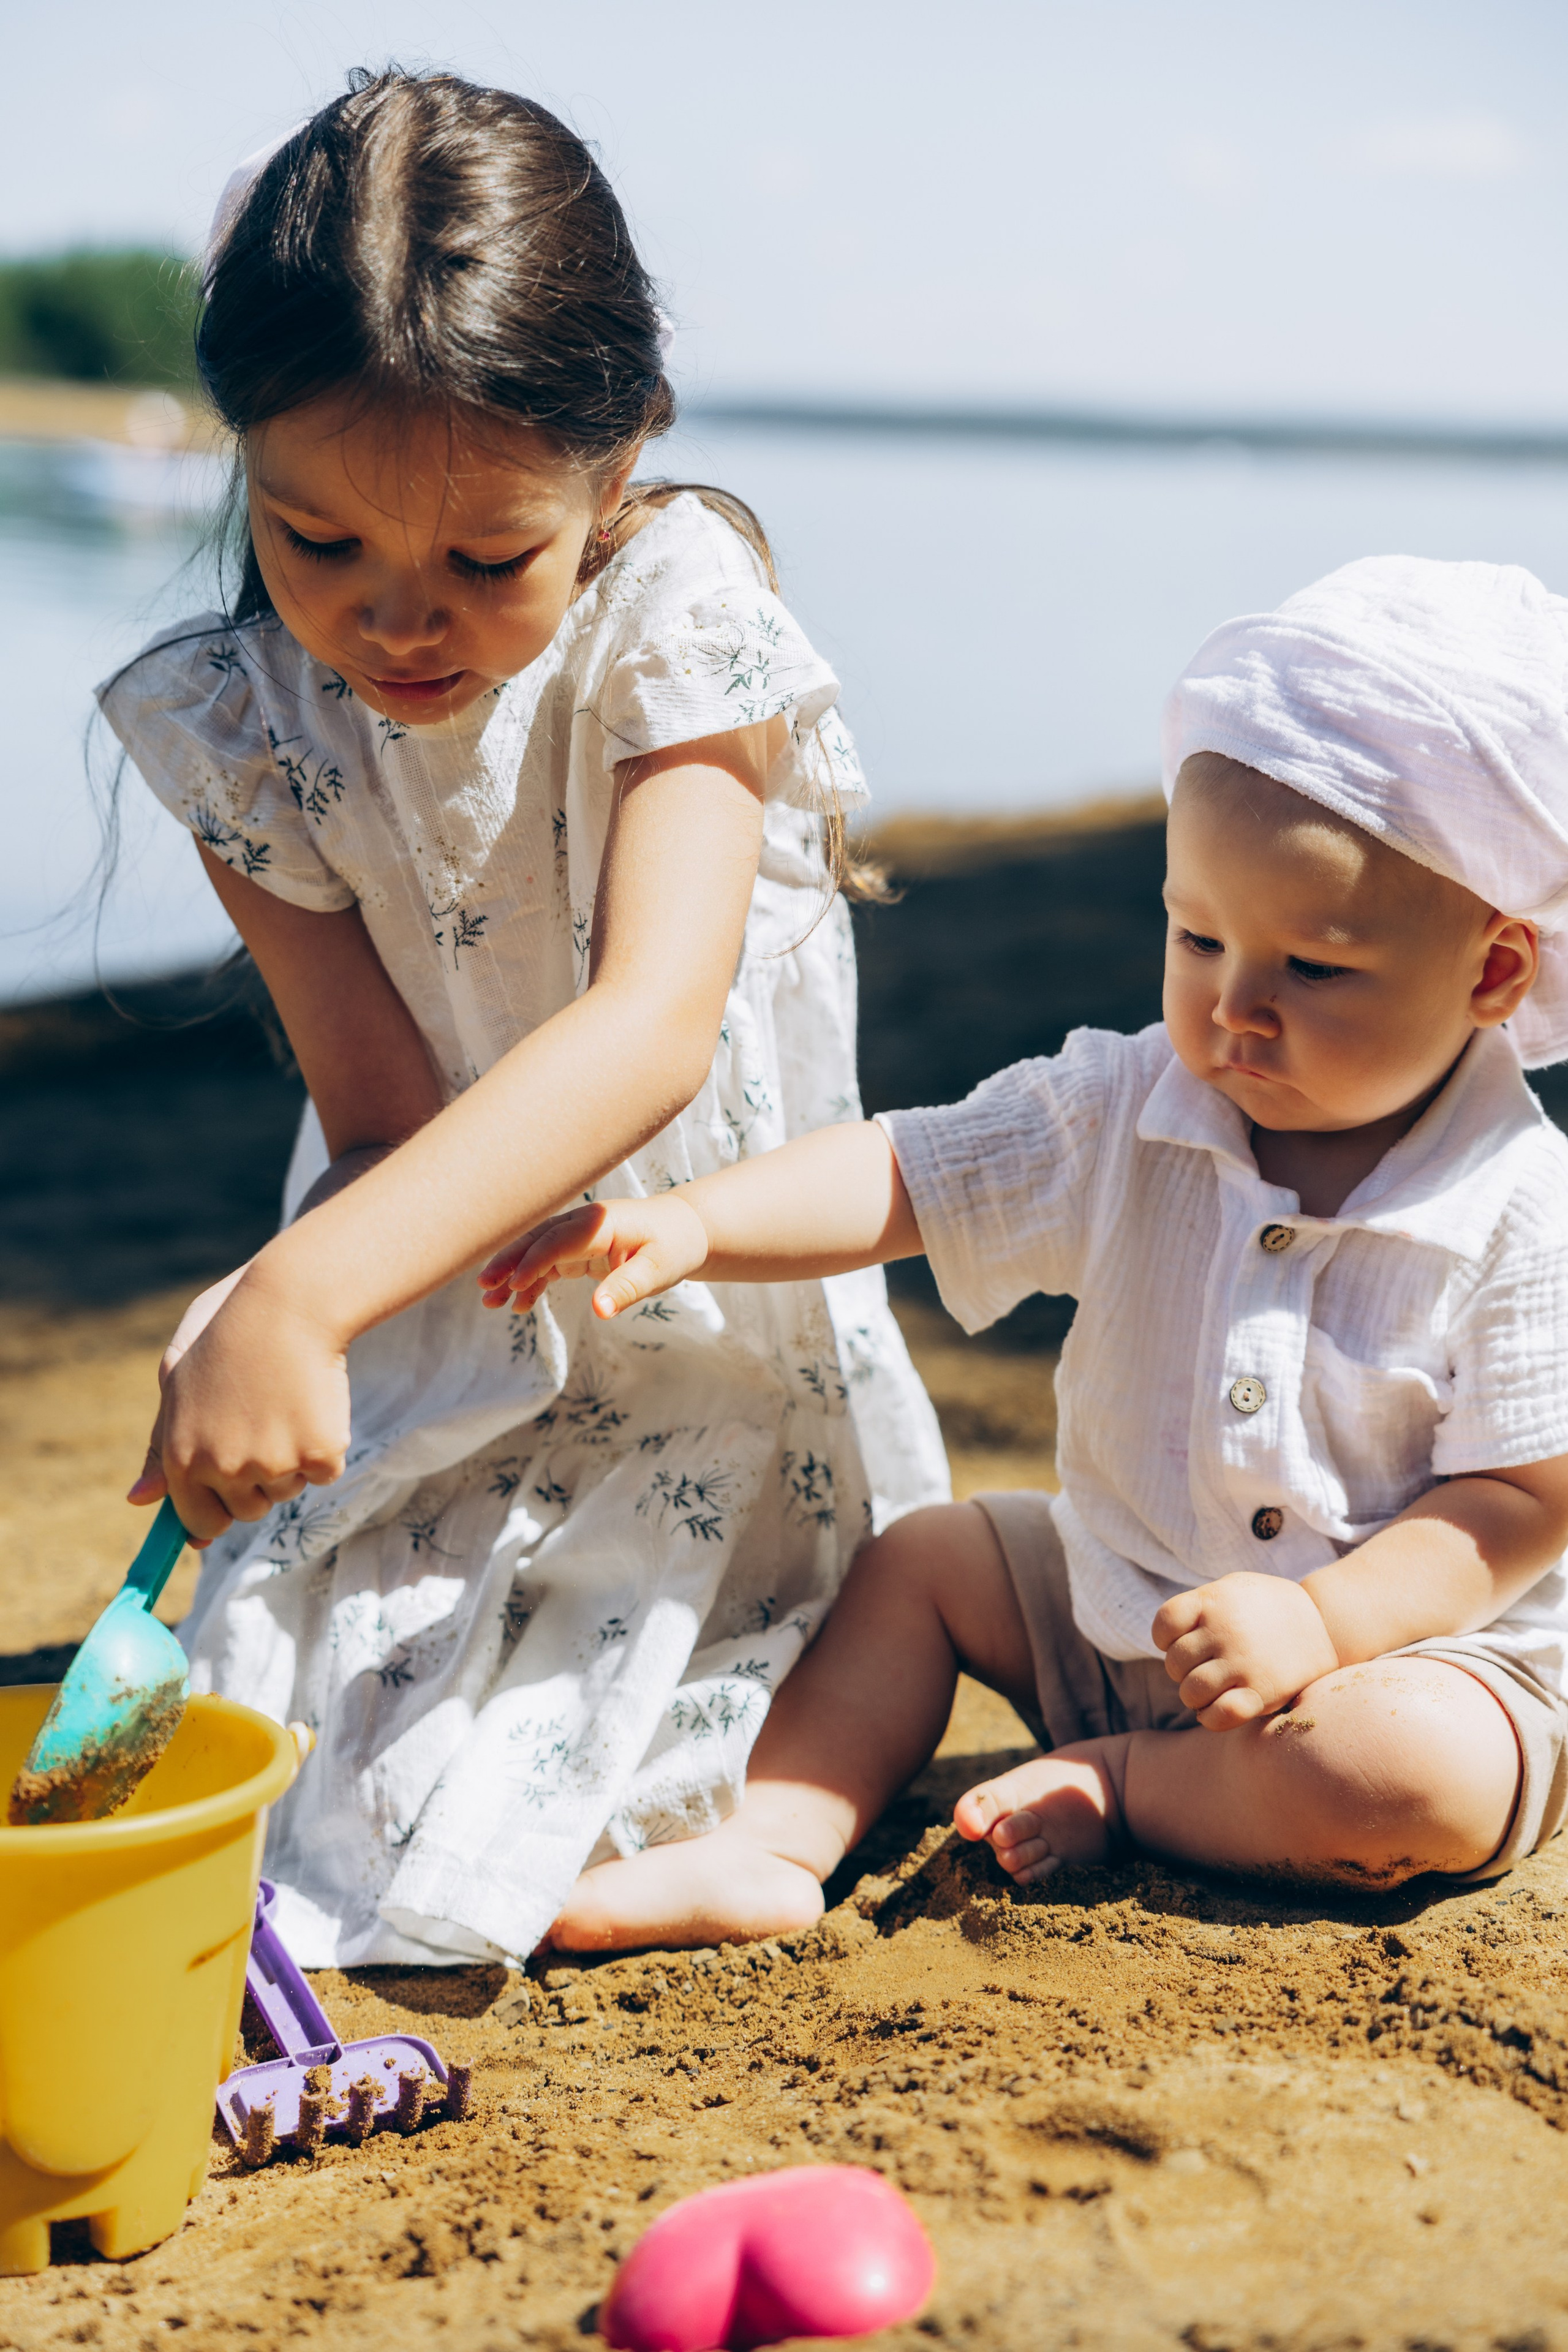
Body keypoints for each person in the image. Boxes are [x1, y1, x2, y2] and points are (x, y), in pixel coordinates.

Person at [97, 69, 946, 1967]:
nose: (398, 625)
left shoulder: (679, 624)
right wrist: (272, 1303)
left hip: (696, 1299)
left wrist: (302, 1297)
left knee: (571, 1752)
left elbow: (654, 1026)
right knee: (270, 1678)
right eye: (319, 548)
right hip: (440, 1278)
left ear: (620, 458)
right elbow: (383, 1122)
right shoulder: (244, 723)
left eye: (489, 563)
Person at [481, 554, 1568, 1952]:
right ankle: (771, 1842)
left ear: (1489, 971)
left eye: (1313, 969)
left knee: (1404, 1780)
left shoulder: (1518, 1204)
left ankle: (1126, 1787)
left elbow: (1518, 1500)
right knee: (926, 1559)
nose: (1234, 1008)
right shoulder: (1125, 1105)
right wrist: (697, 1222)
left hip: (1398, 1662)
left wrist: (1329, 1626)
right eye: (1195, 937)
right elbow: (910, 1172)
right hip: (1122, 1612)